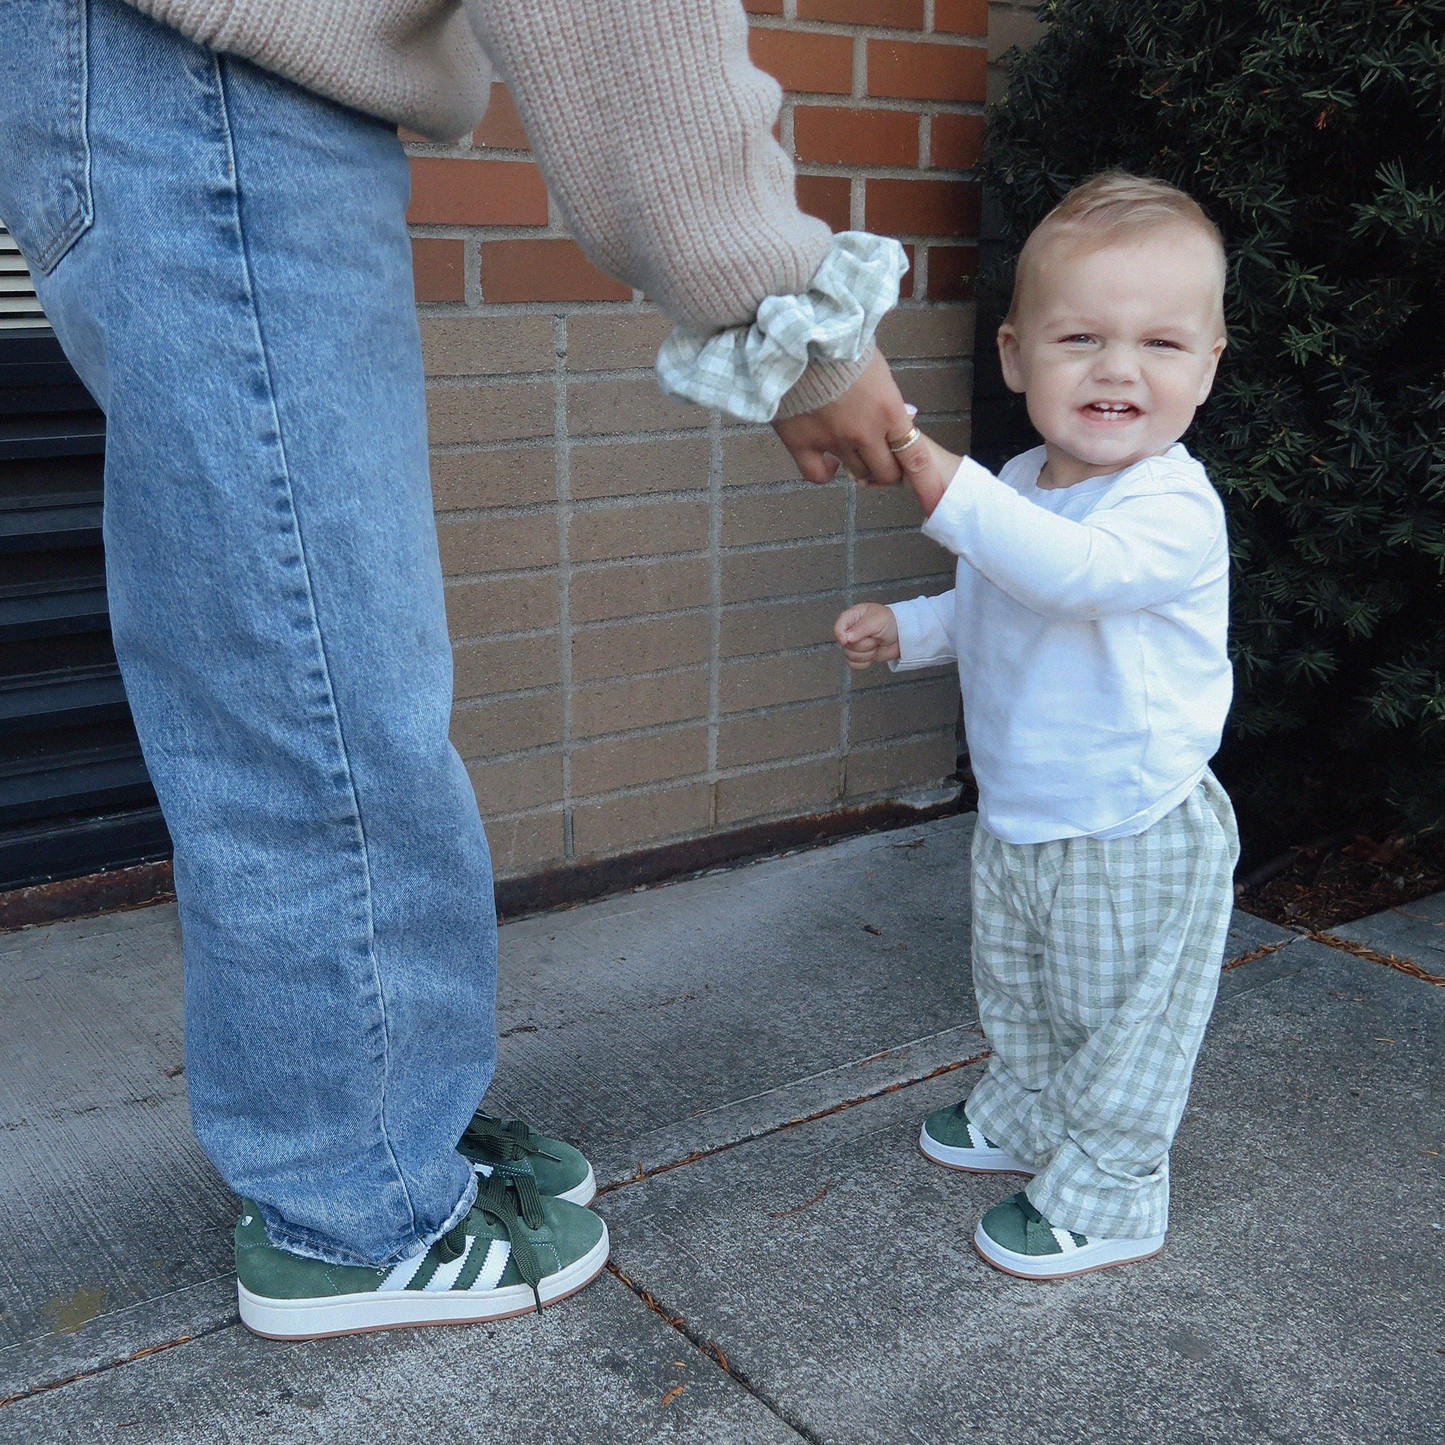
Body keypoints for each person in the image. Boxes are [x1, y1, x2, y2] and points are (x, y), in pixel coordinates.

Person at [0, 0, 946, 1339]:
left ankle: (378, 1115)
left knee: (297, 644)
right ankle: (356, 1209)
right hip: (209, 92)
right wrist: (796, 324)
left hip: (169, 81)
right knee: (315, 678)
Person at [833, 173, 1240, 1280]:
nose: (1118, 368)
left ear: (1205, 368)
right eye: (1080, 337)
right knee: (1019, 981)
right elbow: (998, 595)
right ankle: (1027, 1108)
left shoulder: (1166, 505)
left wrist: (923, 462)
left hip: (1130, 820)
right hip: (1024, 810)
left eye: (1160, 342)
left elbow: (1066, 576)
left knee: (1118, 1019)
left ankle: (1112, 1189)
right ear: (1016, 358)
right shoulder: (1022, 480)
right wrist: (910, 630)